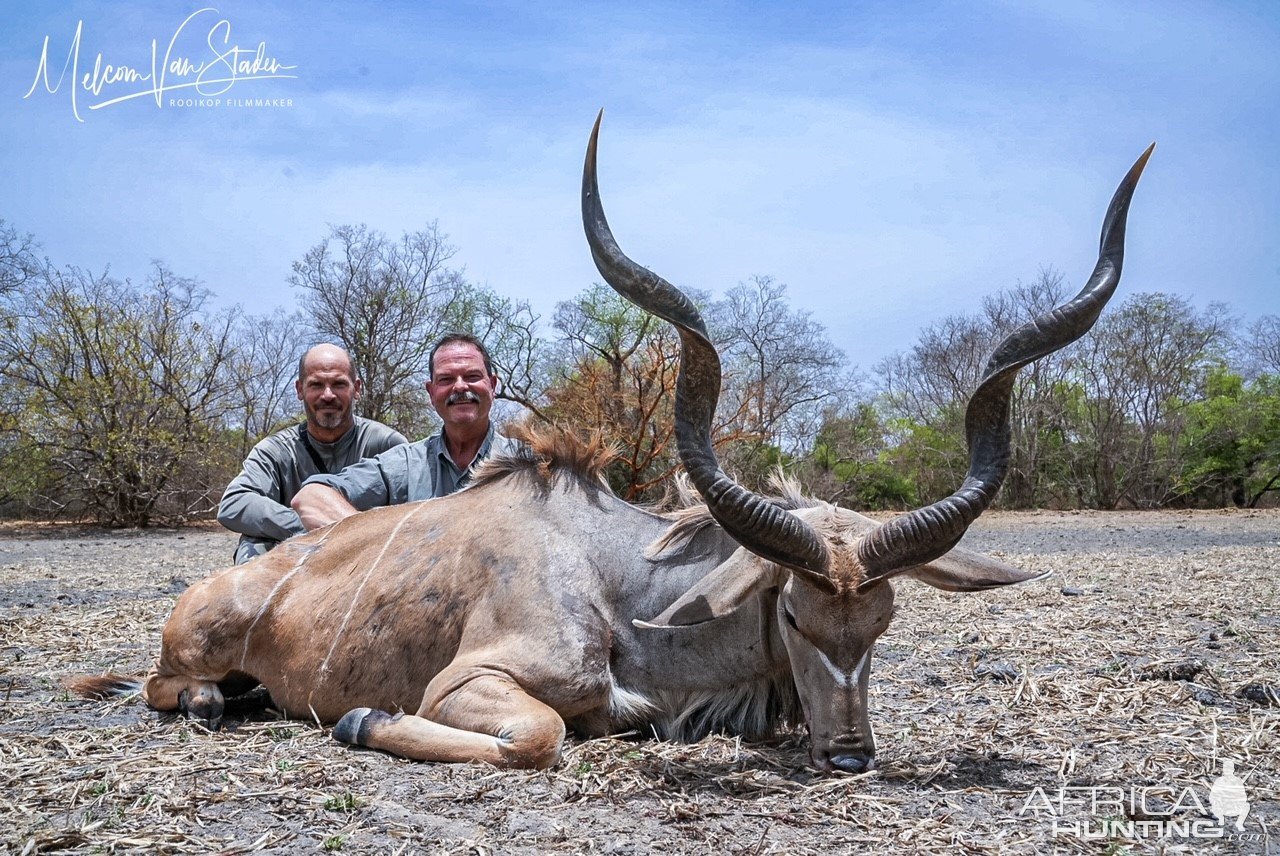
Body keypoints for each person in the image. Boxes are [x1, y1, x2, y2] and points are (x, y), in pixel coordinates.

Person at [291, 333, 521, 530]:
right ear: (431, 392)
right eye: (446, 379)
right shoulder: (405, 464)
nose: (460, 386)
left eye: (472, 377)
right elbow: (312, 497)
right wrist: (382, 548)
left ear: (492, 385)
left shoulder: (532, 462)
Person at [218, 344, 408, 564]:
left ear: (356, 388)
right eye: (316, 385)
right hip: (297, 556)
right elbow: (234, 502)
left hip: (366, 561)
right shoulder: (275, 450)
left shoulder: (387, 444)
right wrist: (311, 526)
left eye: (338, 384)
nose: (327, 395)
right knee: (253, 542)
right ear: (300, 390)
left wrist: (356, 536)